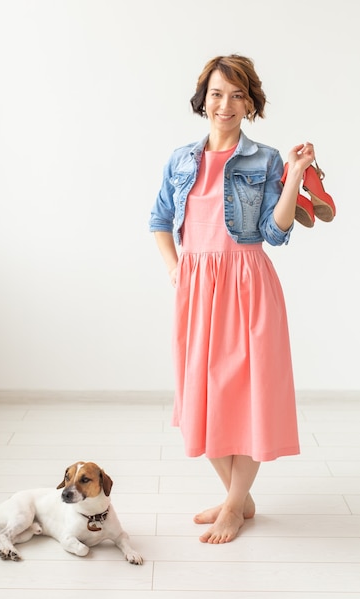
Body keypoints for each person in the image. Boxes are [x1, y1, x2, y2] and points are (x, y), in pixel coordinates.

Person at [149, 54, 313, 544]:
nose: (226, 104)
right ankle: (239, 499)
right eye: (218, 93)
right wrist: (177, 268)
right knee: (201, 396)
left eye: (237, 94)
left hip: (248, 284)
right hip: (197, 290)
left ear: (250, 102)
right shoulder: (181, 158)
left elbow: (274, 232)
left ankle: (233, 506)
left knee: (250, 396)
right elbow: (159, 220)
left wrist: (297, 174)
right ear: (204, 99)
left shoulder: (264, 160)